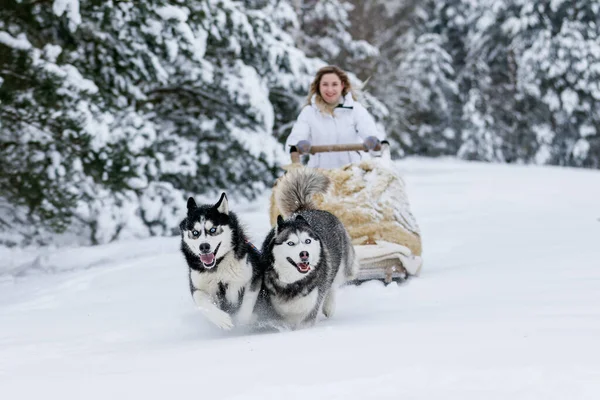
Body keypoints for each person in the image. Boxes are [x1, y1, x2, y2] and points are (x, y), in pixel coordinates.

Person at [285, 65, 388, 169]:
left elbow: (370, 133)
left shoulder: (355, 110)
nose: (330, 89)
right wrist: (299, 145)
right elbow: (295, 140)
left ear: (342, 86)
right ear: (318, 87)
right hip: (320, 175)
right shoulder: (309, 112)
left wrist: (373, 141)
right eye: (325, 84)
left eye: (334, 84)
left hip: (352, 174)